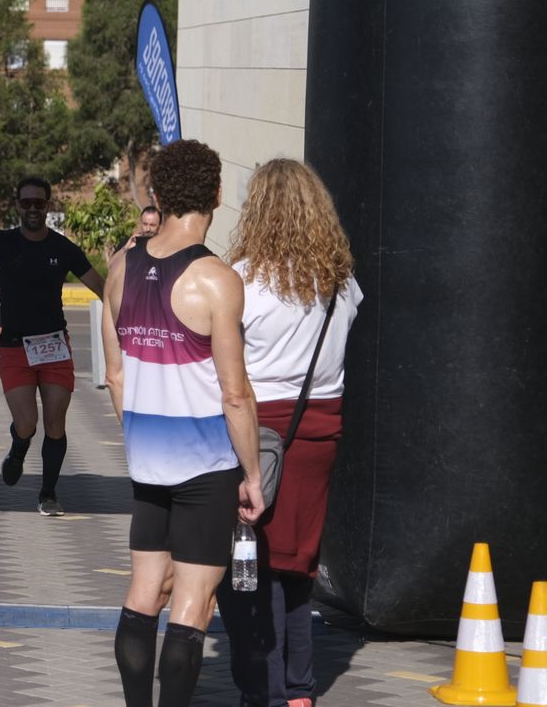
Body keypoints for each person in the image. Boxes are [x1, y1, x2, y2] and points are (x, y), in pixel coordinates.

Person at [99, 139, 266, 707]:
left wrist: (139, 436)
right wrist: (253, 475)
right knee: (193, 606)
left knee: (144, 593)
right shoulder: (216, 279)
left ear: (157, 194)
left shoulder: (119, 267)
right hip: (206, 465)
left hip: (147, 458)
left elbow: (115, 377)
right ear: (217, 194)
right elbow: (236, 394)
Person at [213, 158, 362, 707]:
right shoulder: (341, 283)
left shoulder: (243, 280)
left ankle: (270, 691)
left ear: (258, 210)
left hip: (258, 433)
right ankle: (300, 688)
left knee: (254, 567)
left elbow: (226, 372)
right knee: (299, 564)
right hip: (320, 431)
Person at [0, 177, 104, 516]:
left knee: (55, 424)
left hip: (55, 347)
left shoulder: (62, 247)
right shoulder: (3, 241)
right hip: (14, 349)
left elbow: (101, 286)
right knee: (27, 424)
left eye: (39, 203)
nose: (33, 209)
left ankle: (48, 493)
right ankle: (18, 449)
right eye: (26, 203)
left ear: (48, 206)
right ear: (17, 206)